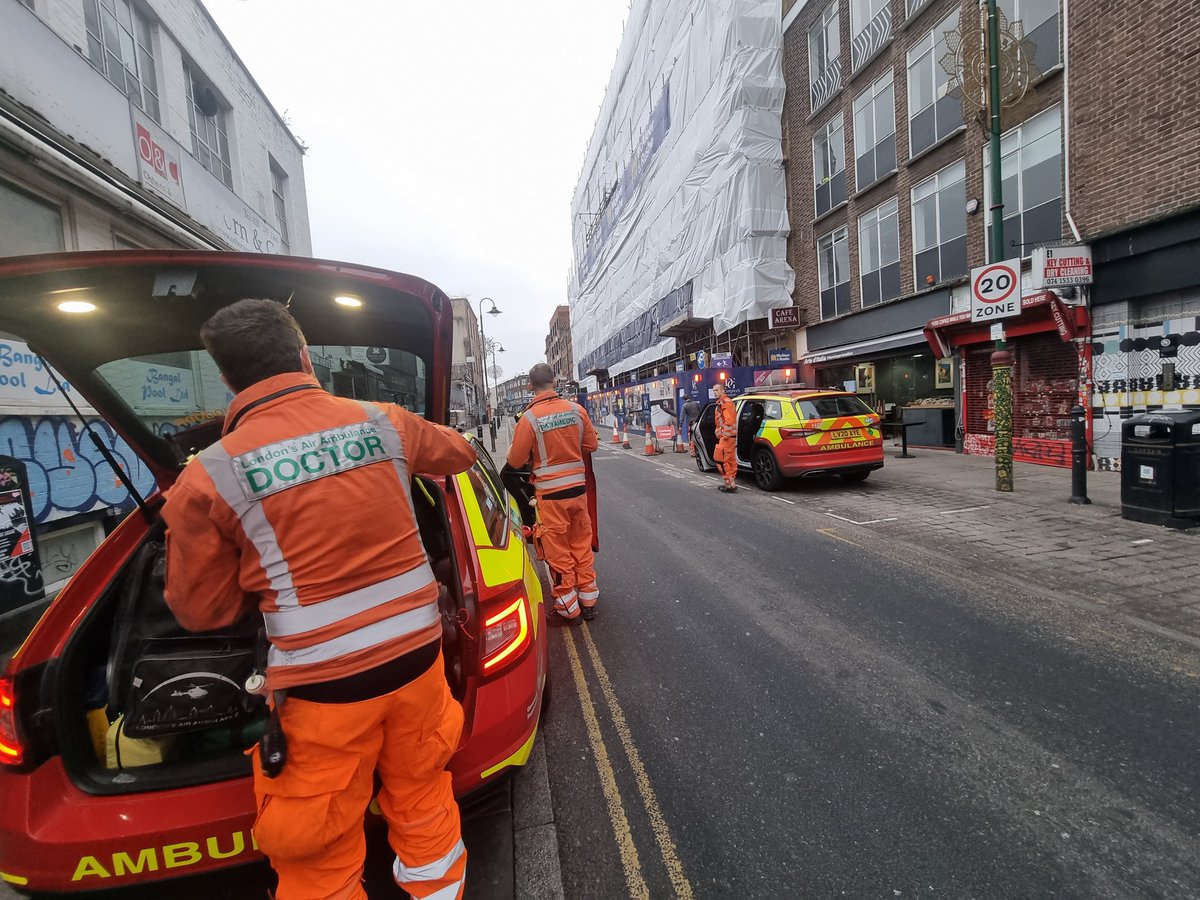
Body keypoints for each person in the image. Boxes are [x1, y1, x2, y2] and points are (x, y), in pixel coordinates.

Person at [160, 299, 475, 900]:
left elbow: (204, 613)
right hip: (417, 664)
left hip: (324, 691)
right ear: (304, 356)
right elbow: (457, 453)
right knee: (423, 798)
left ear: (227, 378)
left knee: (319, 851)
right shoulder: (382, 422)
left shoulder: (207, 478)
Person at [507, 362, 600, 621]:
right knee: (581, 543)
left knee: (558, 552)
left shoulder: (529, 419)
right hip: (578, 492)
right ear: (555, 382)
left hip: (550, 497)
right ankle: (588, 600)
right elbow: (591, 445)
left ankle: (567, 609)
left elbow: (515, 462)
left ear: (529, 386)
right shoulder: (576, 410)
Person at [713, 382, 738, 493]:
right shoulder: (724, 402)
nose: (715, 392)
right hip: (730, 436)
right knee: (730, 459)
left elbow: (729, 421)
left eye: (717, 390)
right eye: (713, 390)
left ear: (723, 391)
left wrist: (724, 434)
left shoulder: (724, 403)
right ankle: (731, 482)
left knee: (720, 458)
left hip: (727, 437)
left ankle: (728, 481)